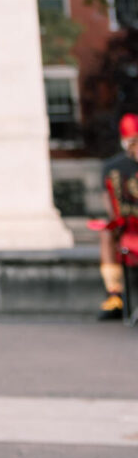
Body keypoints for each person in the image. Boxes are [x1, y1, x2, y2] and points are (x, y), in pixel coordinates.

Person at [96, 114, 138, 320]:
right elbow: (110, 204)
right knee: (107, 233)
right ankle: (115, 294)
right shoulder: (112, 166)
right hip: (130, 227)